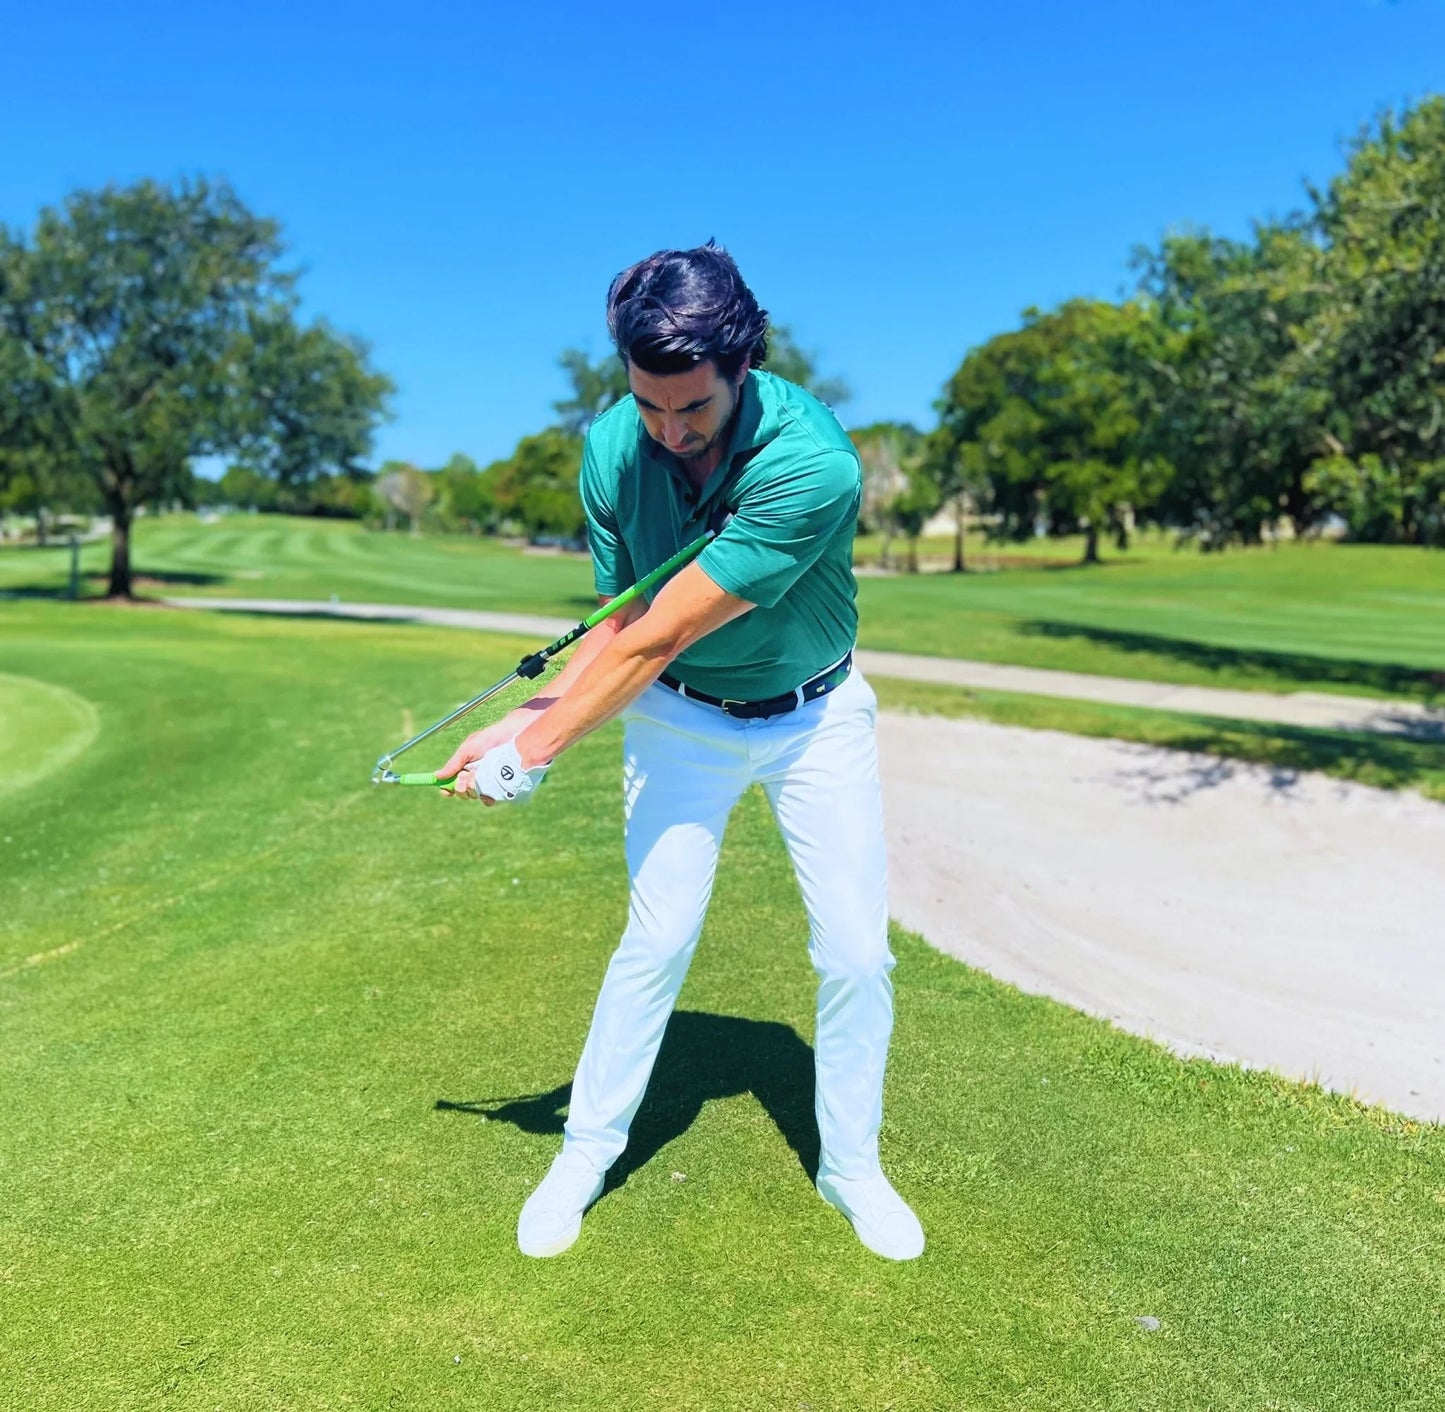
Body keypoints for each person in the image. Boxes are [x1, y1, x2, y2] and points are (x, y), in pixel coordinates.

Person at [438, 243, 923, 1262]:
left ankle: (851, 1167)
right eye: (647, 404)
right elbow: (620, 628)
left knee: (853, 951)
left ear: (743, 364)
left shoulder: (811, 462)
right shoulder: (612, 449)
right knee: (654, 941)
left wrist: (532, 750)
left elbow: (666, 627)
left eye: (690, 408)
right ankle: (584, 1150)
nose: (668, 430)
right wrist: (521, 717)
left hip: (812, 721)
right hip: (681, 720)